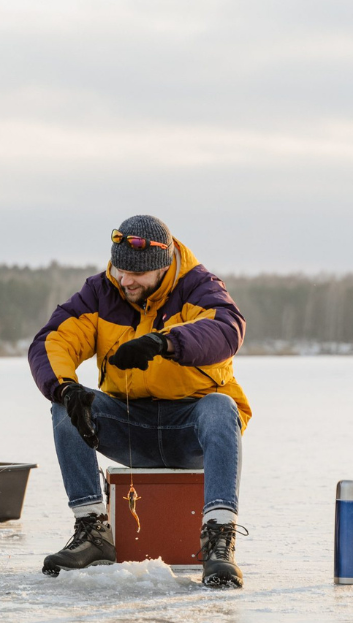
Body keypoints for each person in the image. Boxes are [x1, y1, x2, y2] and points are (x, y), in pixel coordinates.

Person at [28, 215, 252, 588]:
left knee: (221, 407)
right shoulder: (101, 292)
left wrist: (165, 342)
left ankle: (218, 540)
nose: (125, 280)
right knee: (66, 405)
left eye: (136, 274)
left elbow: (227, 330)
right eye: (119, 269)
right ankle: (93, 531)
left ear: (164, 267)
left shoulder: (198, 287)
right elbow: (53, 340)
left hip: (190, 429)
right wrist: (66, 387)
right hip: (131, 425)